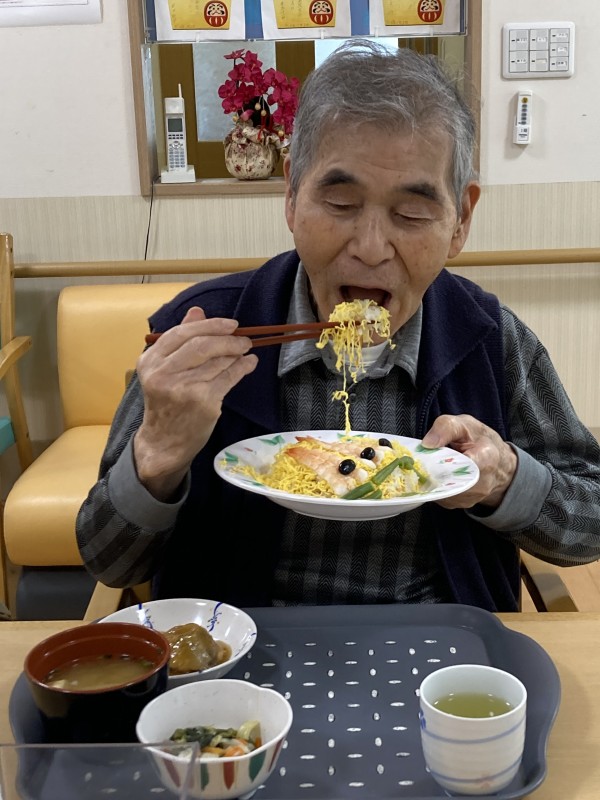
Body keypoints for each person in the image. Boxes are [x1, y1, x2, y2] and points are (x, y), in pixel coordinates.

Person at [76, 40, 600, 613]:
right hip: (237, 641)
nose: (371, 248)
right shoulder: (205, 330)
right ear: (291, 196)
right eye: (341, 203)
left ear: (461, 220)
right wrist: (158, 454)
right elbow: (108, 560)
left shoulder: (490, 340)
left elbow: (591, 520)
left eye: (412, 213)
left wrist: (504, 478)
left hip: (440, 641)